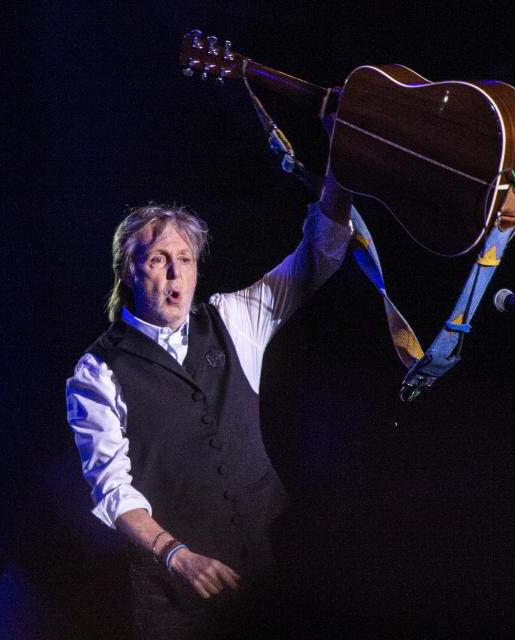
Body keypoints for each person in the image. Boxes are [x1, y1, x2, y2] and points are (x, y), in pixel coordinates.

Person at [65, 171, 352, 638]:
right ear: (127, 270)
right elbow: (112, 492)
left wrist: (344, 168)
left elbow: (318, 254)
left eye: (185, 258)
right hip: (178, 599)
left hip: (273, 569)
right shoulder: (97, 373)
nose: (176, 274)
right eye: (159, 260)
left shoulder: (233, 319)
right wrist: (178, 555)